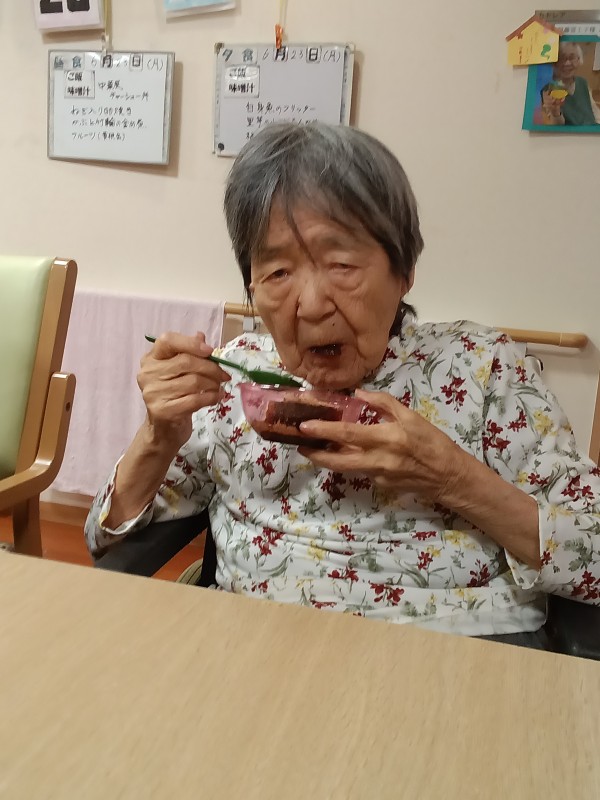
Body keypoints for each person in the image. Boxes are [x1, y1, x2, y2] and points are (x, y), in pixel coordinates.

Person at [85, 122, 600, 645]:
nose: (311, 305)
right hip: (255, 646)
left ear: (404, 270)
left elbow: (594, 552)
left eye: (341, 263)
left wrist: (452, 478)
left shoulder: (483, 369)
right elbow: (107, 541)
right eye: (278, 273)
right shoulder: (234, 377)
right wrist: (159, 434)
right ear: (252, 287)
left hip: (462, 653)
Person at [552, 41, 600, 126]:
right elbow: (556, 126)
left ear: (579, 60)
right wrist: (556, 112)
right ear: (555, 63)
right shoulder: (549, 89)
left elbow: (594, 111)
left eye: (571, 58)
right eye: (562, 58)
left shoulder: (582, 82)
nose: (567, 63)